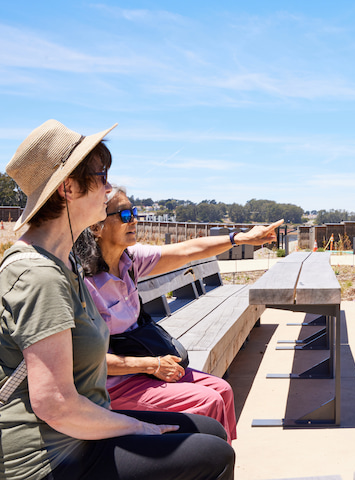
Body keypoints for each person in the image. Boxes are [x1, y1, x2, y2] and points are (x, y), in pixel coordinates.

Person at [0, 120, 235, 480]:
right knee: (212, 454)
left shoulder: (65, 262)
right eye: (101, 175)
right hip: (52, 458)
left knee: (209, 431)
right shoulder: (38, 274)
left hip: (80, 432)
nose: (109, 188)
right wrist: (137, 428)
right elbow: (56, 406)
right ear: (68, 188)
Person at [75, 187, 282, 442]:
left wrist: (240, 238)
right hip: (111, 387)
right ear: (97, 227)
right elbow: (80, 360)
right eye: (125, 214)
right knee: (208, 402)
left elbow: (188, 250)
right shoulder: (85, 284)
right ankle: (203, 464)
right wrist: (152, 365)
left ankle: (220, 463)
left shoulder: (130, 260)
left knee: (223, 390)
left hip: (143, 369)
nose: (135, 220)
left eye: (135, 212)